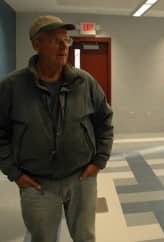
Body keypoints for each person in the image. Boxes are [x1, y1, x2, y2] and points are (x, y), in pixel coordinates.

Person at [0, 15, 113, 242]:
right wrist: (15, 173)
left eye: (67, 40)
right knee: (42, 238)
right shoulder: (12, 87)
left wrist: (99, 161)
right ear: (36, 44)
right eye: (55, 40)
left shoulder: (84, 82)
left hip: (82, 178)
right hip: (37, 184)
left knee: (85, 237)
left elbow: (105, 120)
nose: (64, 46)